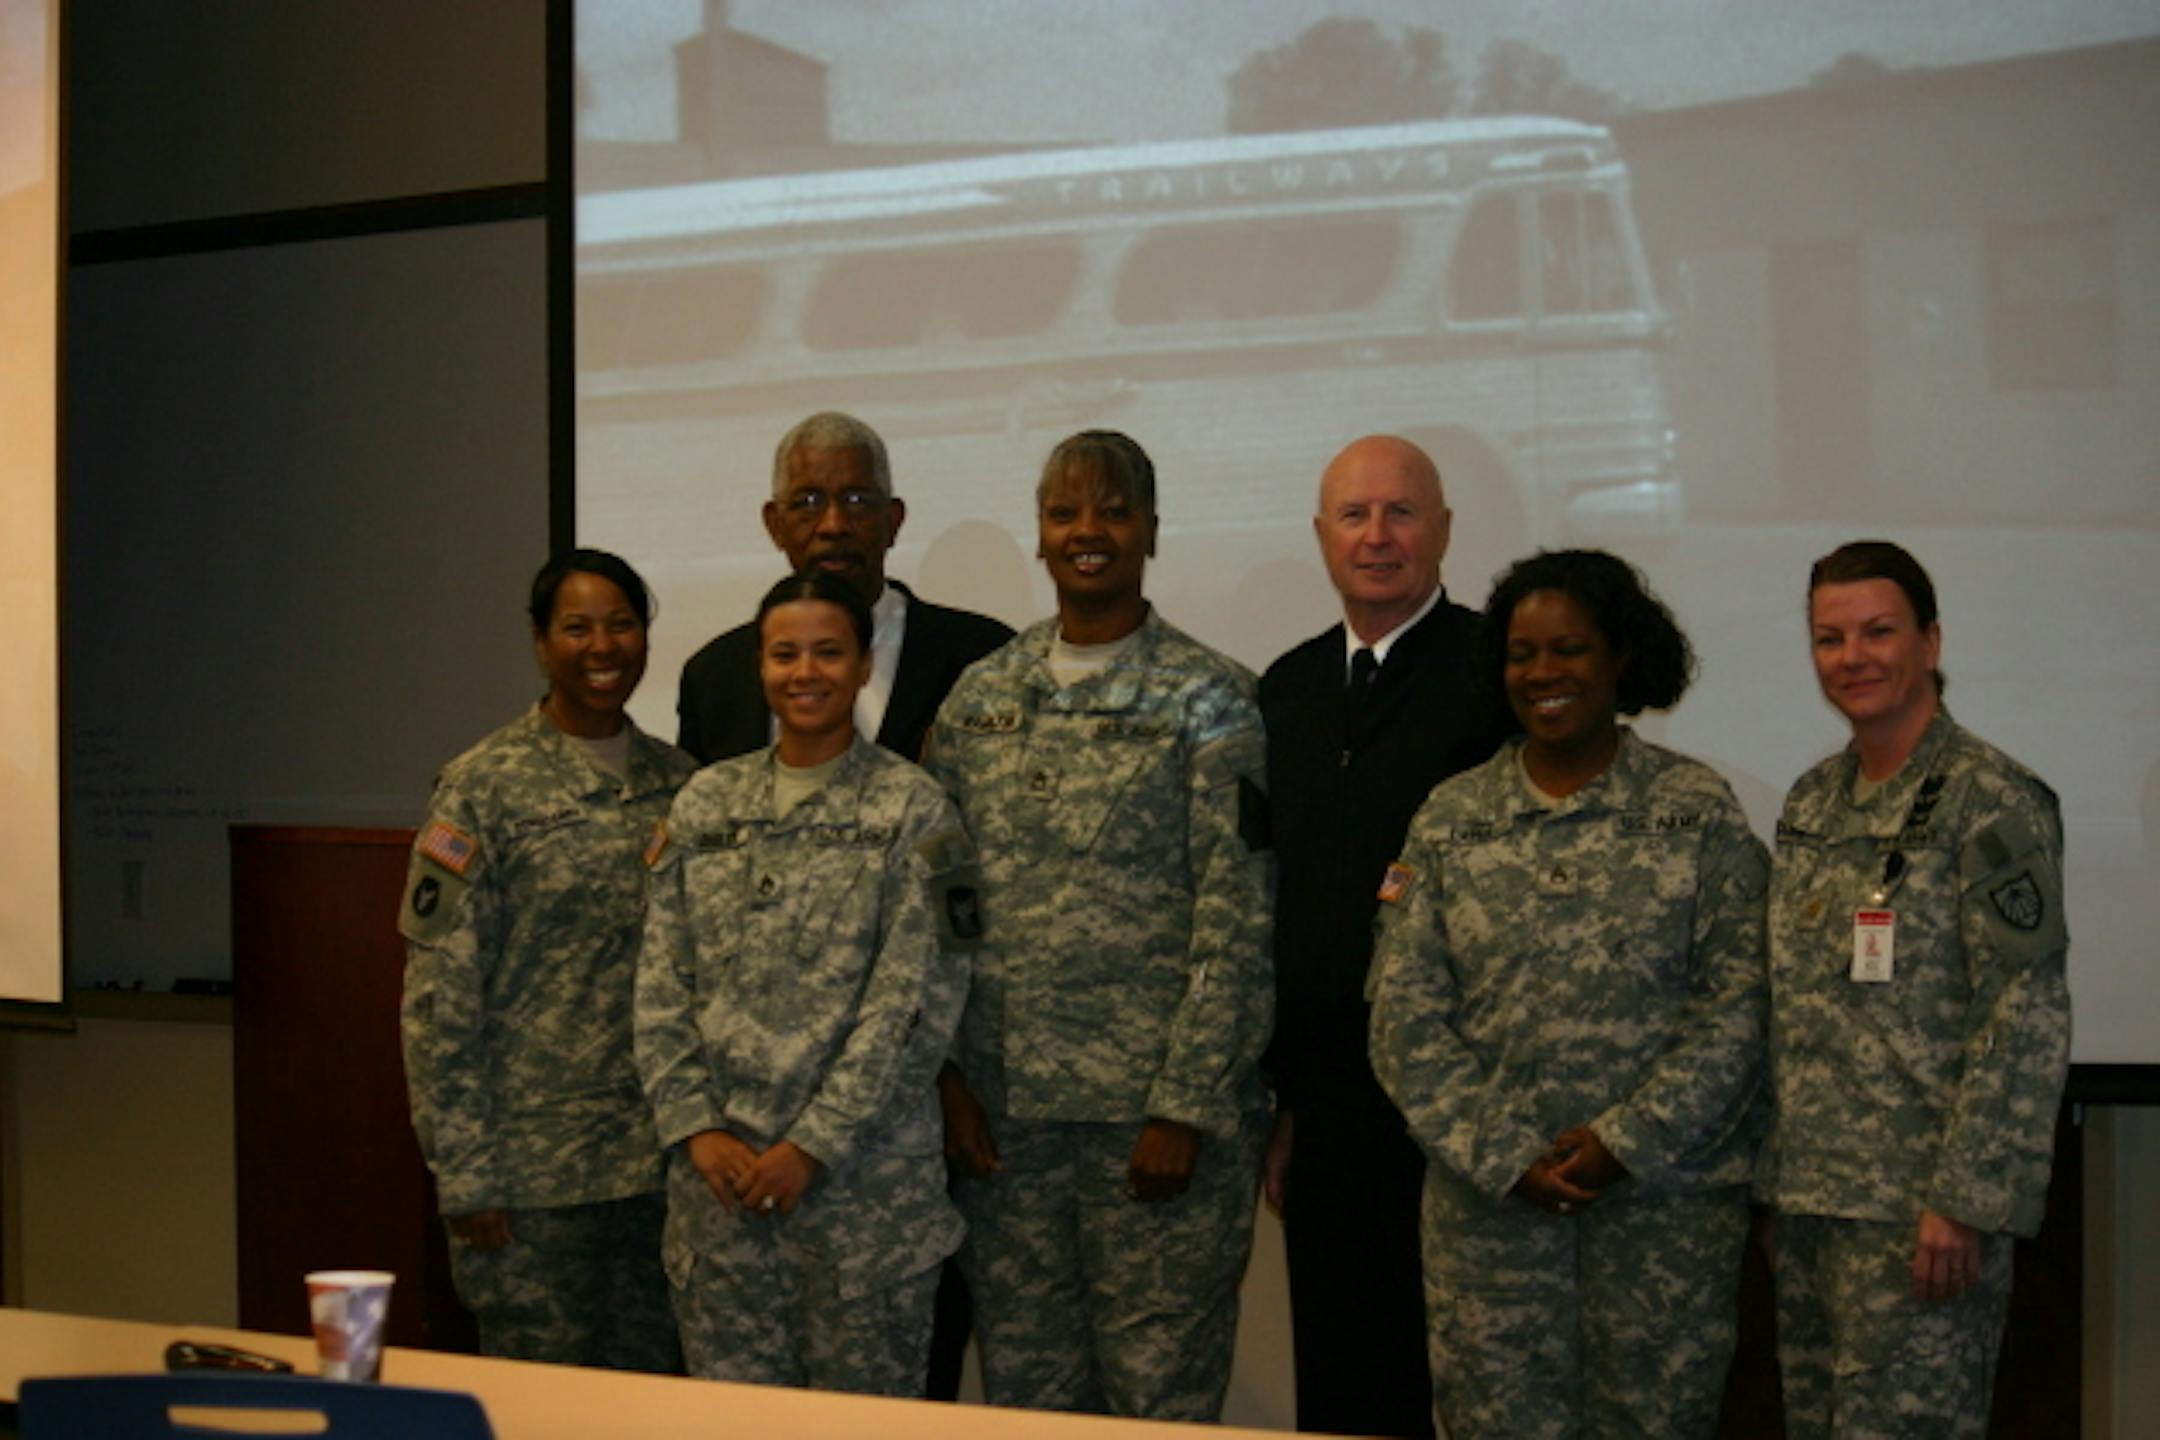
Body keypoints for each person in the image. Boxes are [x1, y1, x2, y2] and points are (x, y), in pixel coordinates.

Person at [1369, 548, 1770, 1439]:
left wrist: (1623, 1142)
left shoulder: (1696, 812)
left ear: (1623, 659)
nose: (1544, 673)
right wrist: (1506, 1153)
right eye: (1521, 654)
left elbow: (1739, 1008)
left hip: (1664, 1223)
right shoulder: (1449, 820)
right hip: (1491, 1229)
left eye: (1572, 649)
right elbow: (1404, 1019)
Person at [927, 430, 1273, 1421]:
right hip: (1007, 1129)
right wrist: (948, 1077)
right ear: (1040, 536)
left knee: (1157, 1400)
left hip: (1152, 1136)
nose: (1089, 532)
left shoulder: (1211, 698)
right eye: (1066, 512)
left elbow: (1237, 915)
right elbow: (942, 909)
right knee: (1033, 1402)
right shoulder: (980, 699)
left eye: (1114, 511)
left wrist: (1186, 1105)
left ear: (1151, 533)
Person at [635, 569, 975, 1395]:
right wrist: (697, 1130)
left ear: (863, 667)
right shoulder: (705, 804)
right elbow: (659, 988)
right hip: (720, 1207)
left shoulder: (915, 811)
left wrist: (810, 1147)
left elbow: (914, 1007)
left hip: (865, 1213)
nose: (806, 672)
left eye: (829, 652)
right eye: (784, 654)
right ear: (761, 667)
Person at [1761, 540, 2070, 1438]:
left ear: (1930, 642)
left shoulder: (1992, 801)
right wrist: (1782, 1190)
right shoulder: (1812, 803)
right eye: (1829, 638)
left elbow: (2025, 1010)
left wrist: (1966, 1200)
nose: (1852, 657)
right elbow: (1794, 1008)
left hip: (1924, 1224)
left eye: (1878, 632)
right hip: (1816, 1214)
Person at [1259, 434, 1510, 1437]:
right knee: (1343, 1385)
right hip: (1325, 1112)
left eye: (1401, 513)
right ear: (1322, 537)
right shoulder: (1285, 690)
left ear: (1444, 530)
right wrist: (1284, 1099)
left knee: (1467, 1385)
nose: (1378, 536)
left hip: (1462, 1109)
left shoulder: (1500, 673)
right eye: (1355, 516)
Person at [398, 548, 693, 1370]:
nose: (603, 647)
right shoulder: (481, 789)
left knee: (652, 1410)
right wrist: (465, 1174)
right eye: (577, 628)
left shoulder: (684, 787)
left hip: (659, 1176)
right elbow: (438, 1000)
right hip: (532, 1184)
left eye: (622, 624)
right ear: (539, 642)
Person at [676, 410, 1013, 766]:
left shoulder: (984, 657)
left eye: (857, 501)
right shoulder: (715, 676)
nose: (833, 525)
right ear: (775, 524)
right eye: (808, 502)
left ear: (893, 520)